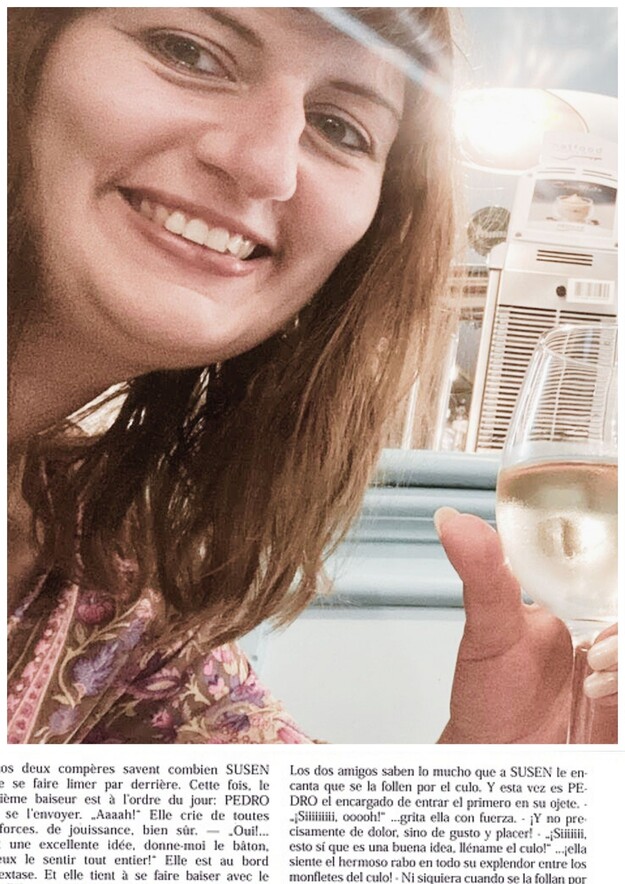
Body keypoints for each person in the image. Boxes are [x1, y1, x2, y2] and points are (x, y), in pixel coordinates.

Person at [8, 8, 617, 745]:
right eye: (188, 53)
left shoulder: (115, 584)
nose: (266, 166)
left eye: (338, 128)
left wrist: (496, 772)